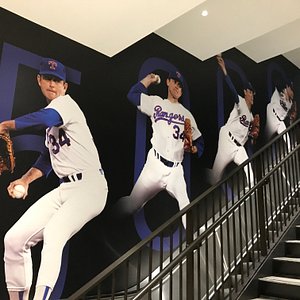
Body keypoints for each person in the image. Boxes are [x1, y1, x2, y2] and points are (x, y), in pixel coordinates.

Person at [0, 58, 108, 300]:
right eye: (47, 78)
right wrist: (26, 181)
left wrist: (8, 124)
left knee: (55, 232)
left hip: (90, 186)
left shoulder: (65, 105)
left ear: (65, 86)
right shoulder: (53, 127)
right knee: (14, 240)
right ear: (39, 80)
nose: (52, 84)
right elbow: (46, 161)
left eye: (57, 80)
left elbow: (46, 118)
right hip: (66, 189)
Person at [114, 70, 204, 228]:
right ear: (168, 82)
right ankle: (112, 216)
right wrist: (149, 79)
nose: (177, 87)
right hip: (155, 164)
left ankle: (194, 235)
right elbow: (132, 94)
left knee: (184, 201)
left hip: (175, 169)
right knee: (132, 205)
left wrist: (194, 149)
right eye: (175, 82)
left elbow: (200, 143)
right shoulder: (157, 103)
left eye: (180, 86)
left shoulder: (186, 114)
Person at [208, 55, 256, 188]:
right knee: (215, 177)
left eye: (253, 93)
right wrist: (224, 69)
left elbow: (250, 137)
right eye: (251, 92)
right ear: (246, 92)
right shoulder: (240, 101)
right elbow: (231, 88)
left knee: (247, 164)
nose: (252, 96)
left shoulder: (251, 117)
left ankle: (252, 186)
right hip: (227, 139)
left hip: (238, 146)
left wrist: (253, 136)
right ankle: (208, 176)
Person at [265, 77, 295, 150]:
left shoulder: (290, 103)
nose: (292, 92)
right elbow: (277, 84)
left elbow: (286, 112)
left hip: (280, 121)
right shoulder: (280, 91)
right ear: (287, 87)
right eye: (291, 89)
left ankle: (290, 151)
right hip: (272, 114)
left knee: (287, 138)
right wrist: (283, 90)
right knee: (267, 136)